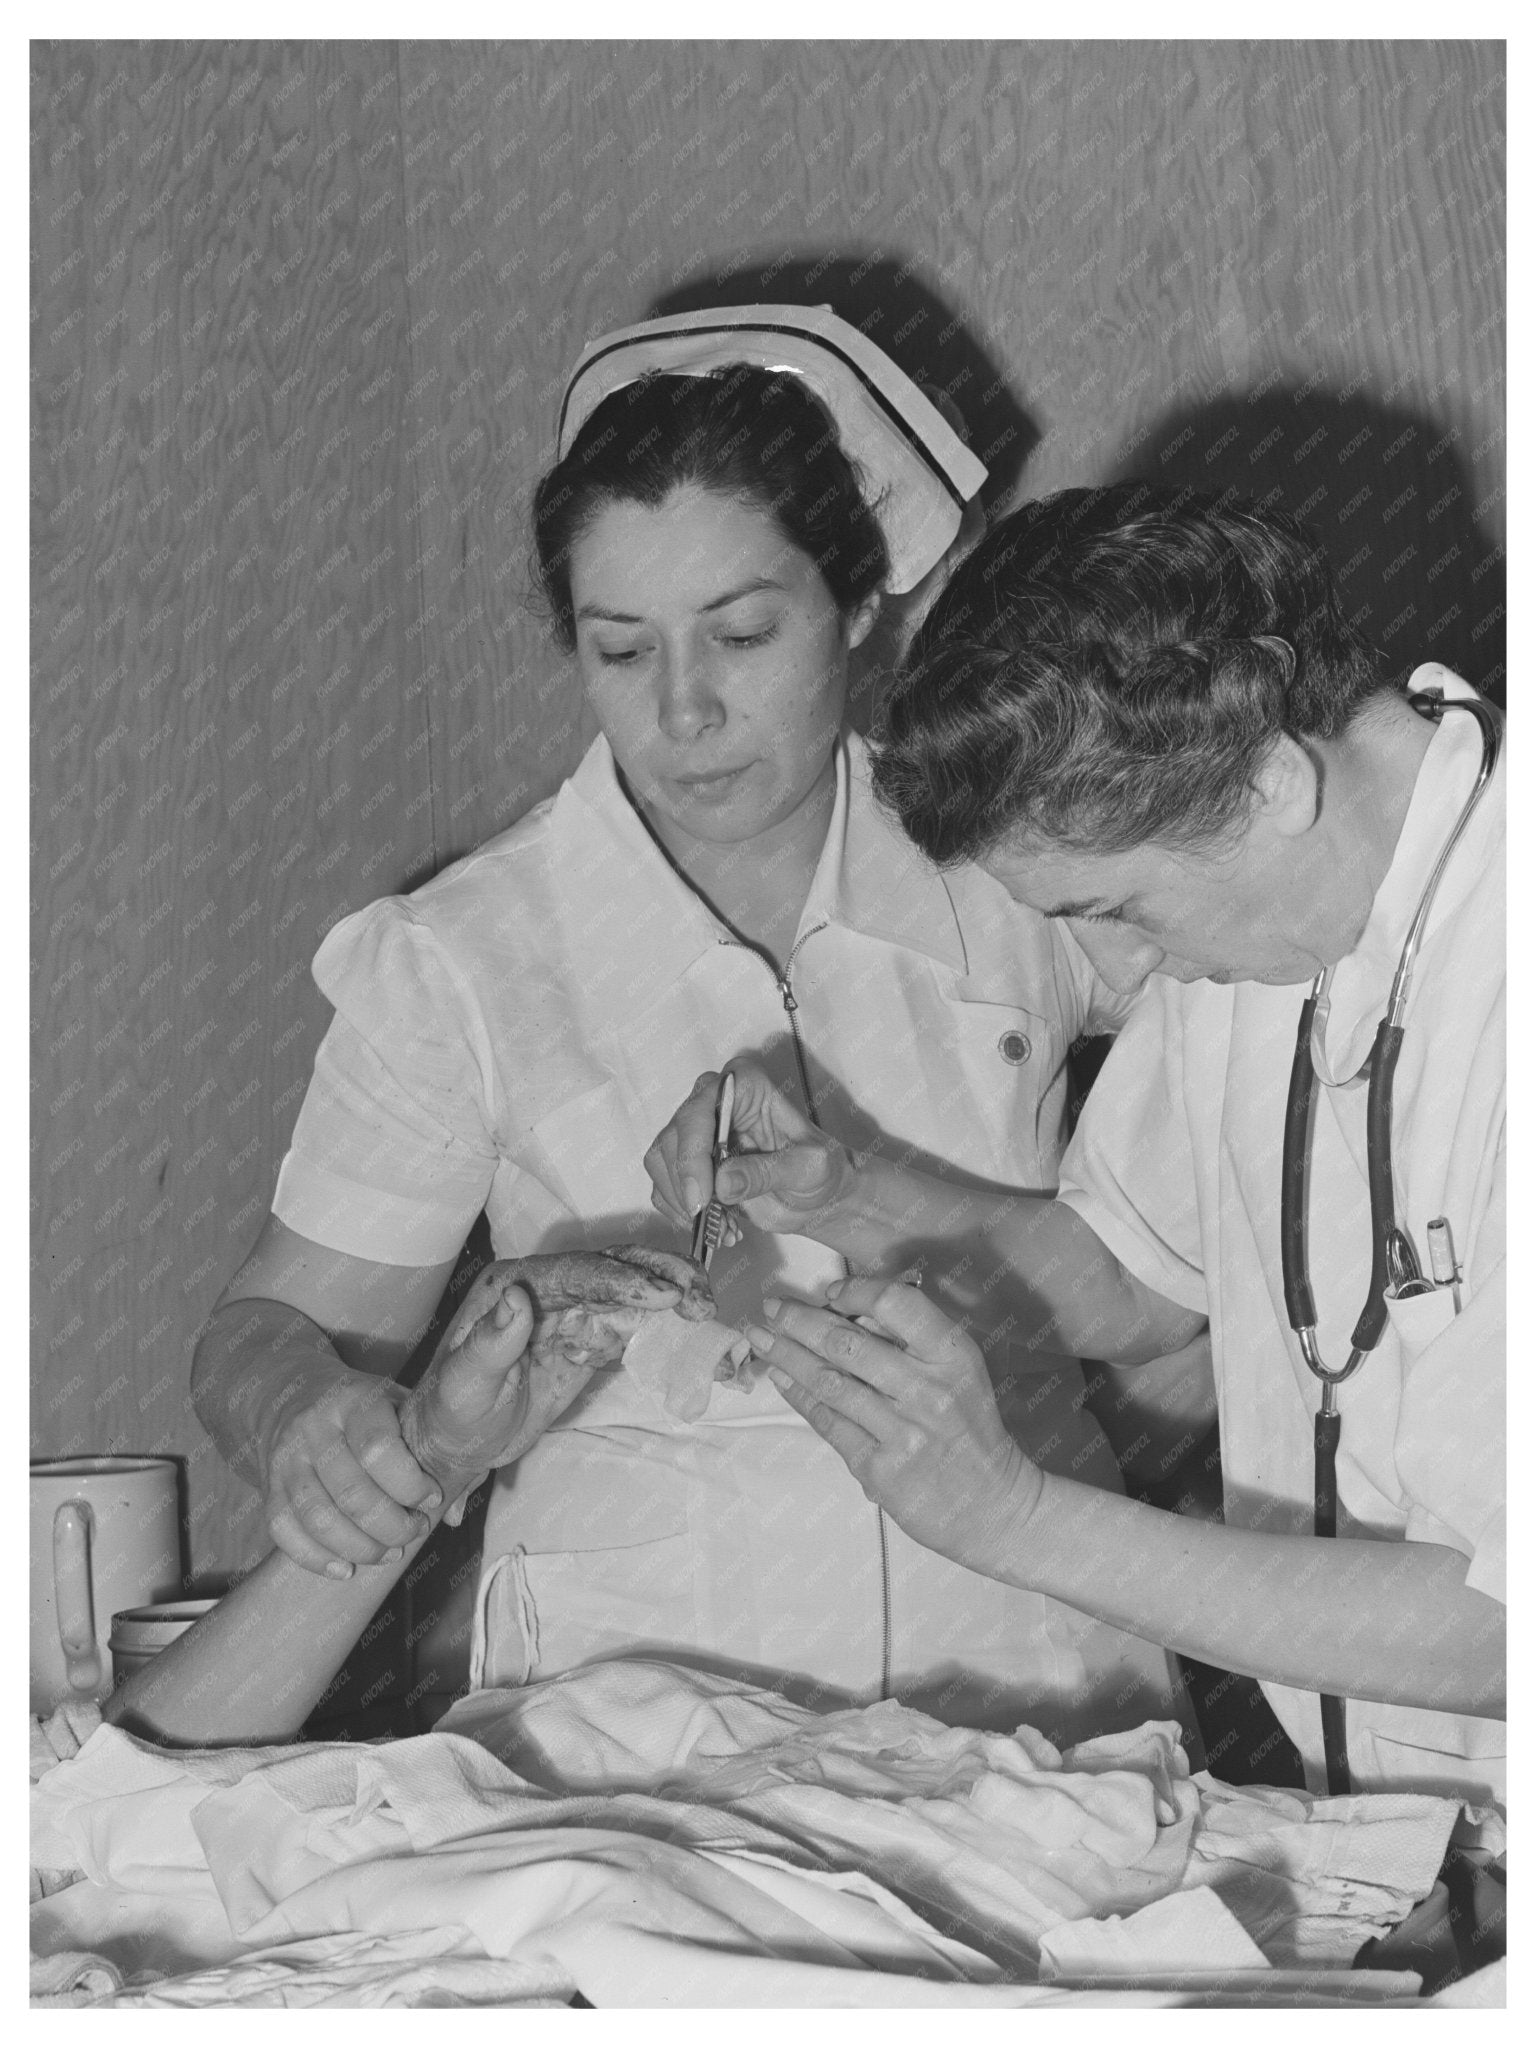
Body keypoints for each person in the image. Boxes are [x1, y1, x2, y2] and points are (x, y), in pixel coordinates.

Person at [191, 309, 1188, 1743]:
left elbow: (1236, 1170)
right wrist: (301, 1413)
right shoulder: (469, 952)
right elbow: (272, 1326)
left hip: (1041, 1679)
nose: (687, 709)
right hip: (631, 1725)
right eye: (621, 650)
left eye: (740, 632)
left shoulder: (1014, 857)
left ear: (857, 608)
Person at [648, 485, 1505, 1811]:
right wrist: (851, 1191)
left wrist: (1019, 1521)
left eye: (1114, 910)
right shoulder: (1259, 911)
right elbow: (1133, 1280)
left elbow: (1503, 1622)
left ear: (1273, 783)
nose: (1112, 971)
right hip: (1401, 1830)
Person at [112, 1250, 702, 1745]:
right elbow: (109, 1796)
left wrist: (428, 1457)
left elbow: (111, 1791)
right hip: (571, 1724)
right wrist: (406, 1448)